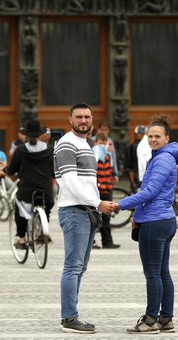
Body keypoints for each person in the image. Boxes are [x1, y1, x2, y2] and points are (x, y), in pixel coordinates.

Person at [116, 115, 178, 334]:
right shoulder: (161, 157)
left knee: (153, 274)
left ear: (166, 138)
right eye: (150, 136)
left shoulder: (163, 159)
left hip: (156, 222)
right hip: (162, 219)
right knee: (163, 272)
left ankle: (151, 319)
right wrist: (138, 213)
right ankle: (166, 319)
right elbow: (153, 194)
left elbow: (151, 192)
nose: (153, 139)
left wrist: (121, 204)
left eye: (157, 136)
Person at [55, 103, 115, 334]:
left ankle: (71, 314)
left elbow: (88, 182)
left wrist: (96, 206)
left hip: (87, 212)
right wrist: (98, 203)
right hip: (74, 211)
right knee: (73, 266)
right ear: (69, 119)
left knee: (80, 267)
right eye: (79, 116)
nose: (83, 120)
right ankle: (69, 317)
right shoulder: (67, 143)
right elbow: (69, 182)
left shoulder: (86, 144)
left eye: (87, 117)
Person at [1, 119, 55, 250]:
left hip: (26, 189)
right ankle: (43, 229)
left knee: (19, 209)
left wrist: (5, 170)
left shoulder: (20, 150)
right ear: (39, 134)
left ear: (26, 135)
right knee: (47, 204)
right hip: (46, 189)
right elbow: (54, 172)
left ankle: (22, 240)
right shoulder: (49, 150)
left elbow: (12, 170)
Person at [92, 132, 120, 249]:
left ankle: (107, 241)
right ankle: (91, 242)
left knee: (107, 216)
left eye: (104, 143)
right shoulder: (93, 154)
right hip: (96, 189)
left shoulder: (108, 155)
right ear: (95, 143)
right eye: (100, 143)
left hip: (107, 188)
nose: (102, 146)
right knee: (93, 216)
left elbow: (112, 169)